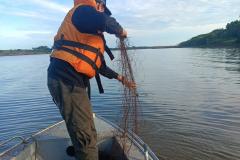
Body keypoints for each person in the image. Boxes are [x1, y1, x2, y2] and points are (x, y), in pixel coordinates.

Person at [47, 0, 135, 159]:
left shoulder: (88, 31)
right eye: (102, 8)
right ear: (98, 3)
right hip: (66, 80)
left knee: (89, 132)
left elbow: (99, 66)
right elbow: (105, 21)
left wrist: (121, 78)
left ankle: (86, 152)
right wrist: (121, 31)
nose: (102, 12)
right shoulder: (82, 11)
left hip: (75, 84)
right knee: (85, 137)